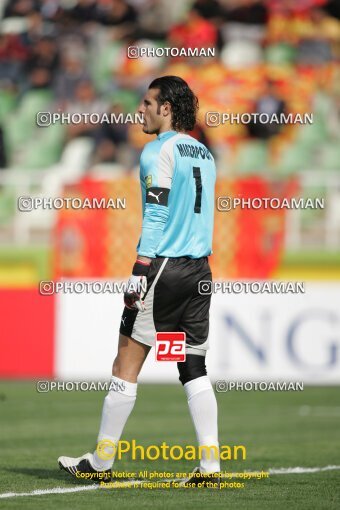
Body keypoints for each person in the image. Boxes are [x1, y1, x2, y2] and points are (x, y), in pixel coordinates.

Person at [58, 76, 220, 487]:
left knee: (125, 364)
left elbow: (157, 214)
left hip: (163, 267)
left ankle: (101, 462)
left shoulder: (156, 150)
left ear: (166, 108)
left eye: (147, 102)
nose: (140, 110)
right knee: (193, 366)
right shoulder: (204, 152)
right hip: (200, 270)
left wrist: (139, 269)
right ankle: (210, 466)